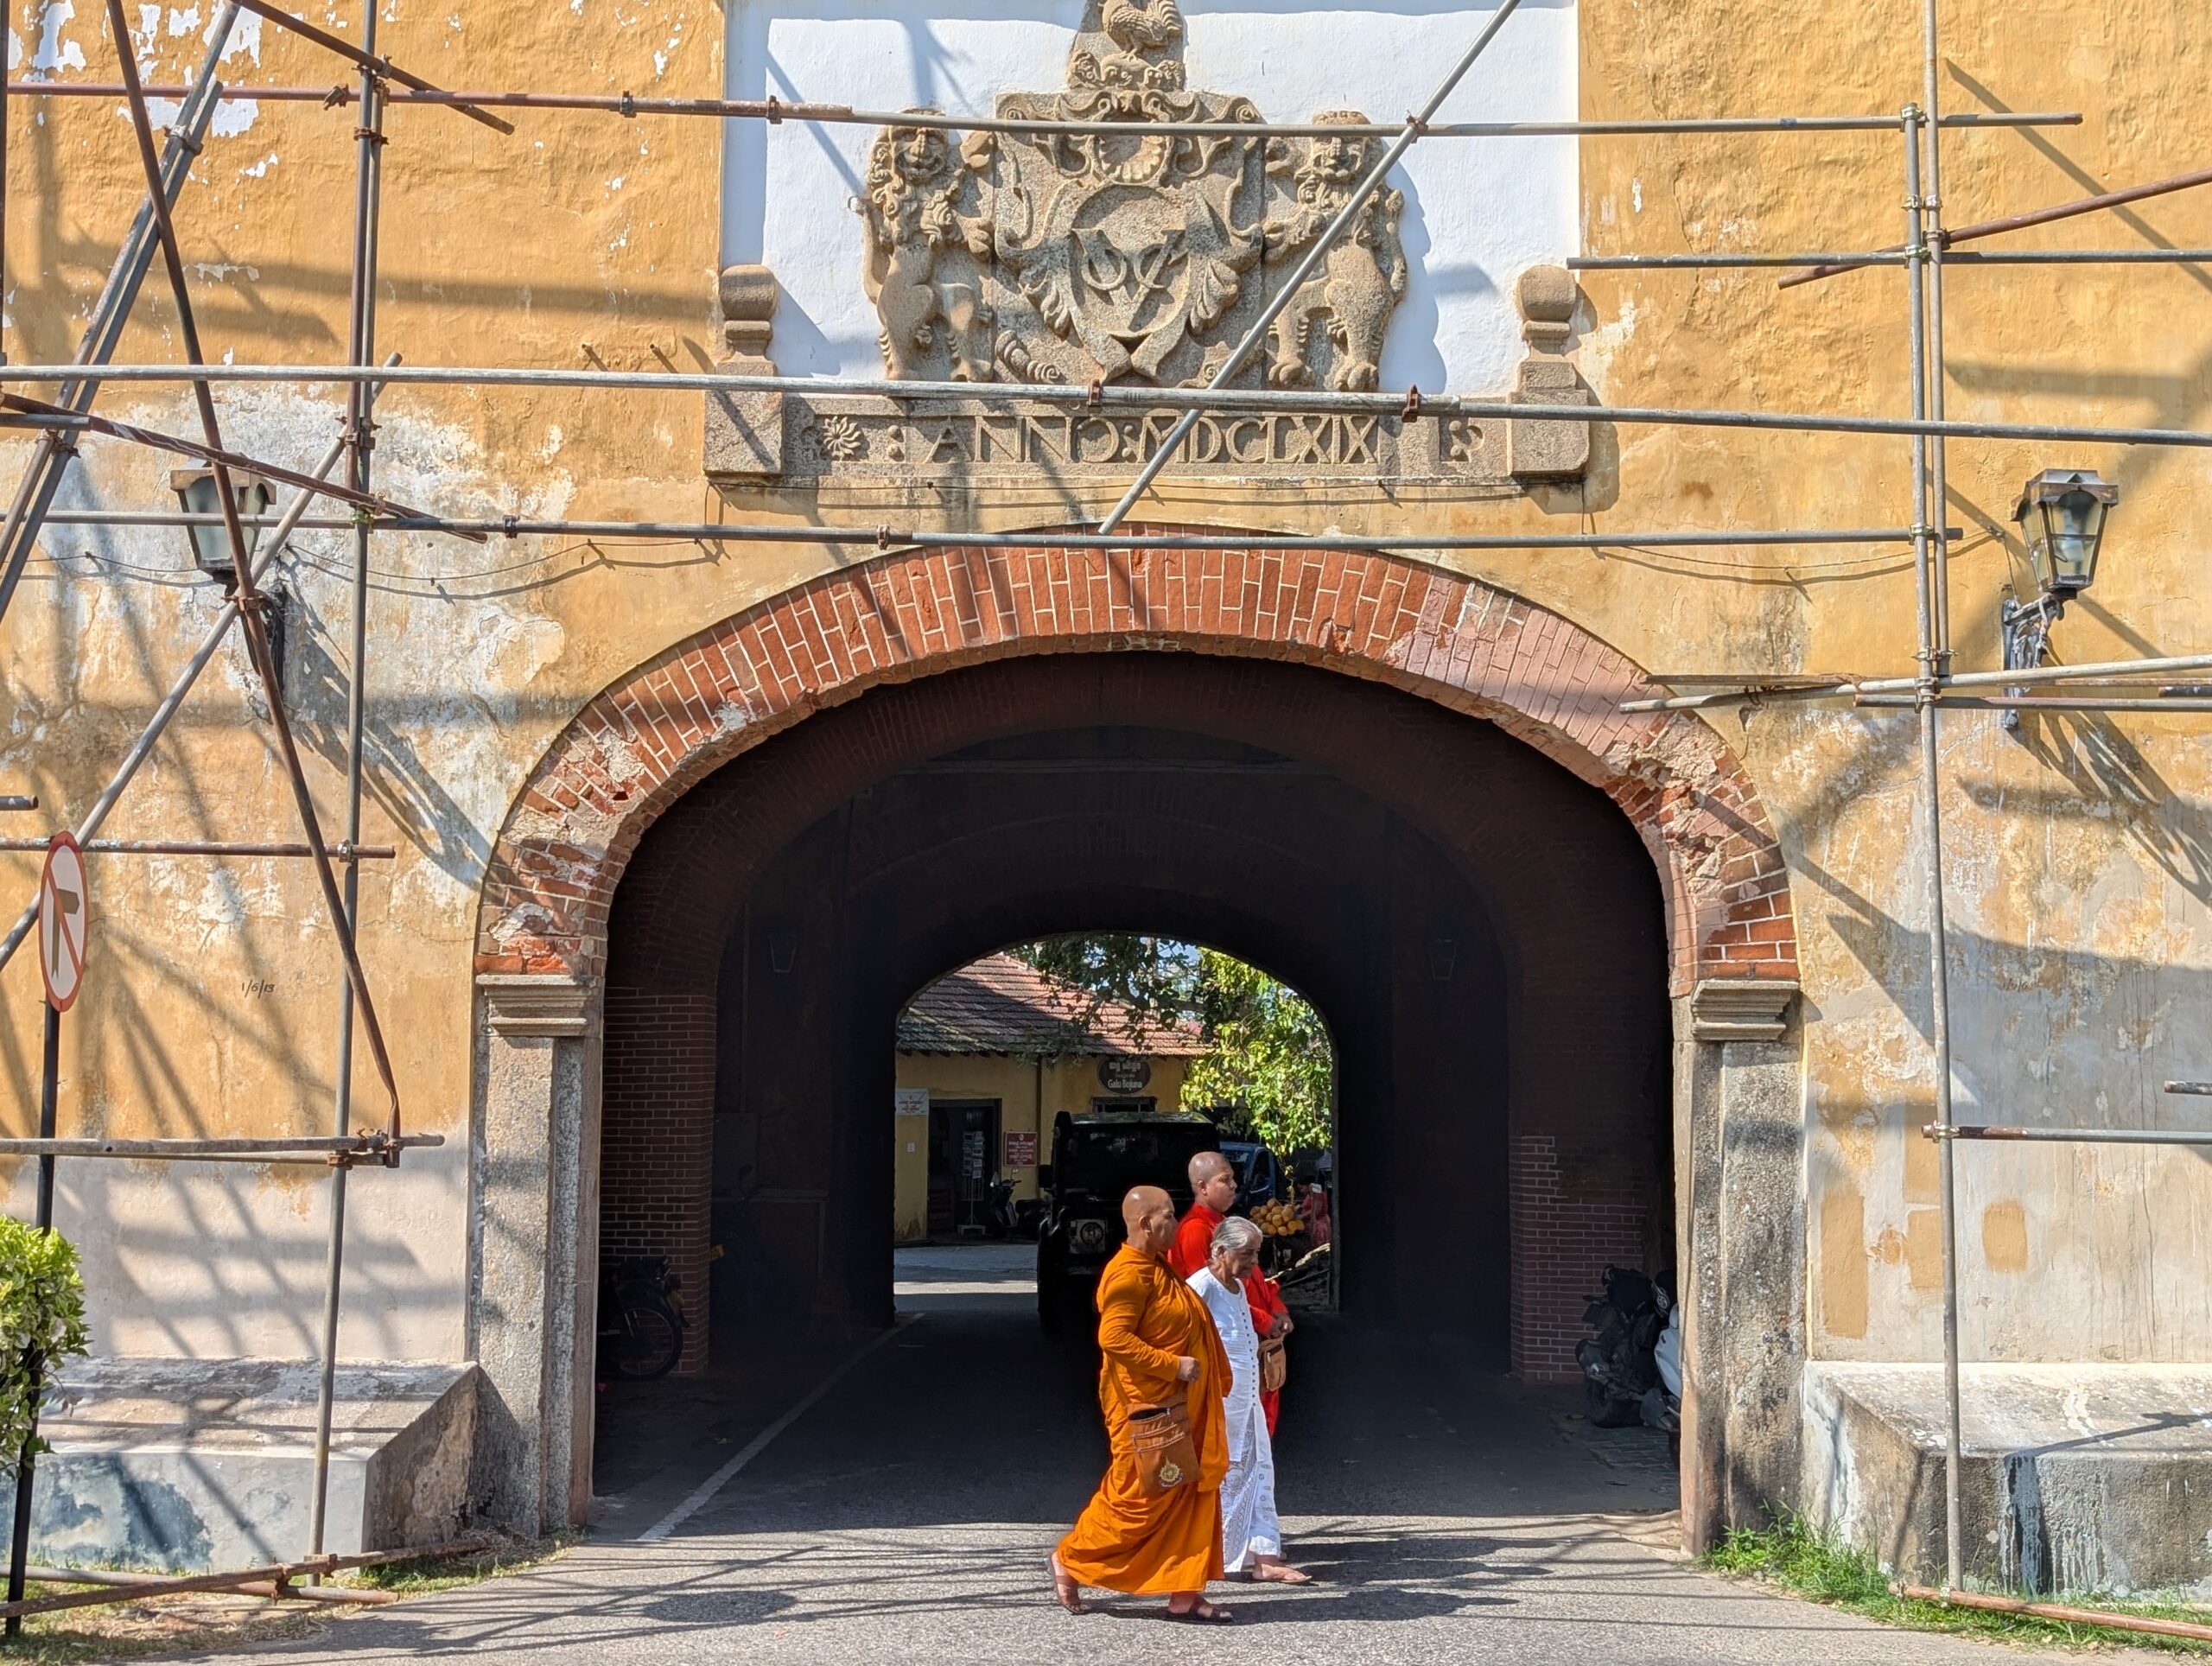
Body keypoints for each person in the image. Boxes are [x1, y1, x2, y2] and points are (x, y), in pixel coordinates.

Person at [1052, 1185, 1237, 1624]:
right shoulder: (1129, 1275)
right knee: (1137, 1498)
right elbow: (1113, 1338)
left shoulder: (1157, 1266)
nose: (1175, 1222)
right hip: (1147, 1408)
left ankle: (1185, 1592)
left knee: (1187, 1492)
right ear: (1146, 1224)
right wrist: (1173, 1365)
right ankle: (1071, 1557)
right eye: (1169, 1216)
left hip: (1179, 1406)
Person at [1188, 1216, 1309, 1584]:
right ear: (1220, 1251)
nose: (1254, 1262)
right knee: (1228, 1475)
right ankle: (1222, 1555)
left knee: (1260, 1472)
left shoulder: (1238, 1287)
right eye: (1246, 1254)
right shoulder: (1200, 1287)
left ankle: (1264, 1556)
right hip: (1220, 1401)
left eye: (1256, 1254)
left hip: (1248, 1397)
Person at [1170, 1150, 1293, 1433]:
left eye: (1233, 1178)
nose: (1234, 1185)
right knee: (1236, 1430)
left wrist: (1277, 1309)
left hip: (1257, 1342)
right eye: (1225, 1180)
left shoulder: (1223, 1226)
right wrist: (1264, 1321)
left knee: (1258, 1428)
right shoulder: (1195, 1231)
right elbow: (1209, 1300)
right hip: (1231, 1349)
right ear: (1203, 1187)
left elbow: (1257, 1279)